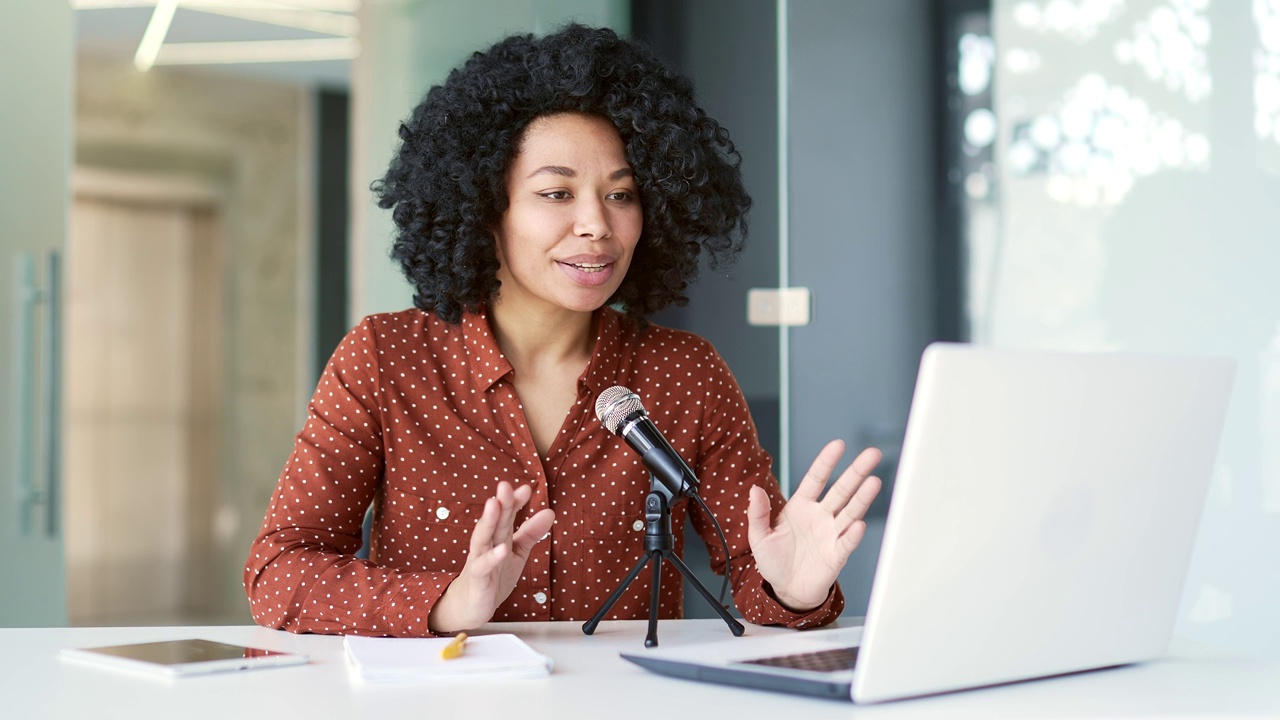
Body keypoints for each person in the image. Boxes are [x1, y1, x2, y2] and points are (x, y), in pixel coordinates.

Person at [244, 24, 881, 637]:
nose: (596, 225)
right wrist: (446, 602)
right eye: (556, 193)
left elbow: (757, 569)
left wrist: (792, 592)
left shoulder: (686, 374)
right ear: (485, 207)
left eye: (621, 194)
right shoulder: (387, 358)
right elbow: (278, 573)